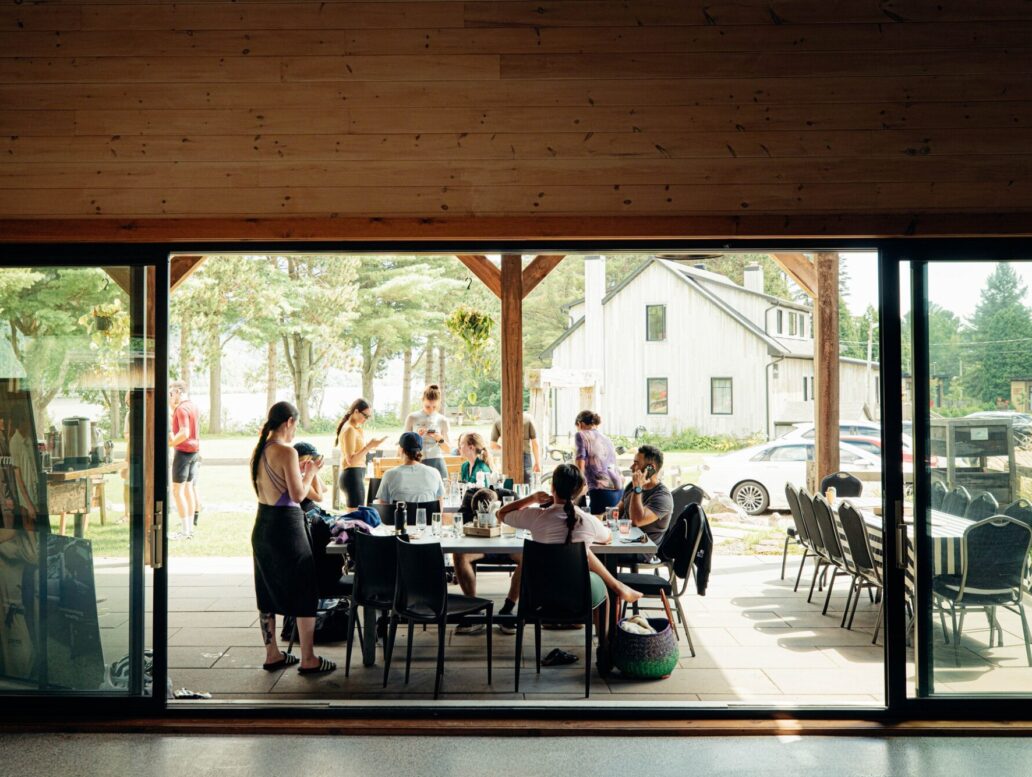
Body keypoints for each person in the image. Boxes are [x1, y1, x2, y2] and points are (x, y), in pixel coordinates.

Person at [498, 463, 642, 657]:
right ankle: (604, 648)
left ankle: (615, 588)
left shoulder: (535, 517)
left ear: (552, 488)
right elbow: (608, 537)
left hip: (539, 594)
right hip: (579, 595)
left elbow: (501, 514)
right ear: (580, 490)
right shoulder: (588, 521)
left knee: (580, 554)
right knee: (602, 589)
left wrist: (531, 498)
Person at [250, 401, 334, 675]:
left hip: (262, 523)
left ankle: (272, 653)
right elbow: (298, 495)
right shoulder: (286, 451)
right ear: (288, 422)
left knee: (266, 589)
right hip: (286, 526)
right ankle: (308, 658)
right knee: (304, 586)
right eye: (295, 425)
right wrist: (310, 472)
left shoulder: (259, 450)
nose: (295, 431)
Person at [452, 486, 522, 636]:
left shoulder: (511, 497)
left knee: (528, 557)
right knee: (459, 555)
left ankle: (508, 609)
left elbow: (520, 522)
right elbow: (459, 524)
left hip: (507, 544)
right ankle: (473, 609)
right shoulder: (469, 497)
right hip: (481, 545)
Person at [615, 445, 674, 565]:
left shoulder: (662, 497)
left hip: (640, 550)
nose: (632, 467)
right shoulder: (632, 485)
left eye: (636, 463)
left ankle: (610, 584)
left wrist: (637, 489)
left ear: (650, 468)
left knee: (595, 555)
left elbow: (637, 520)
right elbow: (615, 512)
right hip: (621, 541)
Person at [375, 431, 445, 511]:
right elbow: (440, 507)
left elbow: (383, 507)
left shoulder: (389, 474)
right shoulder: (434, 473)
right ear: (420, 451)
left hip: (398, 522)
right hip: (427, 523)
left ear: (401, 450)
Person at [335, 398, 385, 508]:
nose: (366, 419)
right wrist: (369, 446)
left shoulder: (355, 428)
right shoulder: (350, 430)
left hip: (355, 474)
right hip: (352, 475)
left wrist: (371, 446)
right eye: (365, 415)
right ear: (356, 411)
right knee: (355, 519)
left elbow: (358, 452)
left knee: (356, 518)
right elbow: (350, 460)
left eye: (368, 417)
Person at [573, 410, 623, 516]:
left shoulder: (581, 435)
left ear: (580, 424)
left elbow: (580, 463)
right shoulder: (607, 438)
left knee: (590, 528)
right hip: (618, 491)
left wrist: (578, 486)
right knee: (605, 528)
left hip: (601, 491)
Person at [168, 380, 200, 539]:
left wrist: (171, 443)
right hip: (194, 452)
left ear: (179, 392)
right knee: (188, 490)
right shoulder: (192, 406)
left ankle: (184, 531)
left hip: (183, 452)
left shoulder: (181, 409)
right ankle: (189, 530)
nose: (171, 396)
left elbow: (184, 432)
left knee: (177, 491)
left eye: (172, 393)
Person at [404, 384, 451, 481]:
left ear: (439, 403)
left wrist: (439, 438)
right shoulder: (412, 417)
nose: (431, 410)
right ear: (422, 401)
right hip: (417, 461)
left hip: (437, 461)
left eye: (434, 407)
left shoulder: (442, 420)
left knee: (440, 495)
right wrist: (417, 437)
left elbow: (448, 449)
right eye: (427, 406)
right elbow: (403, 445)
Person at [490, 411, 540, 484]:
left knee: (509, 486)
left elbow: (493, 445)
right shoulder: (528, 419)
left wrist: (505, 448)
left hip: (507, 457)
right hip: (525, 457)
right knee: (527, 486)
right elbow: (535, 444)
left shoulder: (498, 421)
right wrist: (537, 462)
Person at [293, 441, 326, 513]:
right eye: (309, 460)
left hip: (312, 513)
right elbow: (319, 498)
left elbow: (324, 489)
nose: (311, 462)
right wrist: (312, 472)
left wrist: (314, 471)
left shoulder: (303, 475)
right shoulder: (295, 477)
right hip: (306, 517)